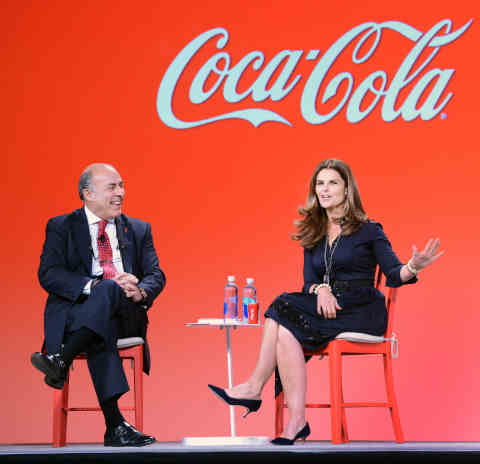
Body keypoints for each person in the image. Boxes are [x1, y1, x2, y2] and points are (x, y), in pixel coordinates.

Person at [208, 158, 443, 445]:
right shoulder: (314, 233)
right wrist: (320, 289)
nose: (325, 189)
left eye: (332, 183)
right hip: (328, 309)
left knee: (281, 306)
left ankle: (255, 388)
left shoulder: (369, 230)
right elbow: (307, 281)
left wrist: (413, 267)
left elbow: (394, 274)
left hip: (361, 310)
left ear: (347, 190)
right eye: (320, 183)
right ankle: (296, 422)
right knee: (284, 328)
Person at [31, 163, 166, 447]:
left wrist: (140, 290)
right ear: (88, 194)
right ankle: (114, 426)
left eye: (122, 185)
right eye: (112, 187)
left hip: (124, 312)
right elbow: (49, 274)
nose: (121, 193)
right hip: (76, 311)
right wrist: (93, 286)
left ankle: (61, 361)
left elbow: (156, 274)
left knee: (109, 293)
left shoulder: (139, 229)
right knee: (102, 303)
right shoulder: (61, 226)